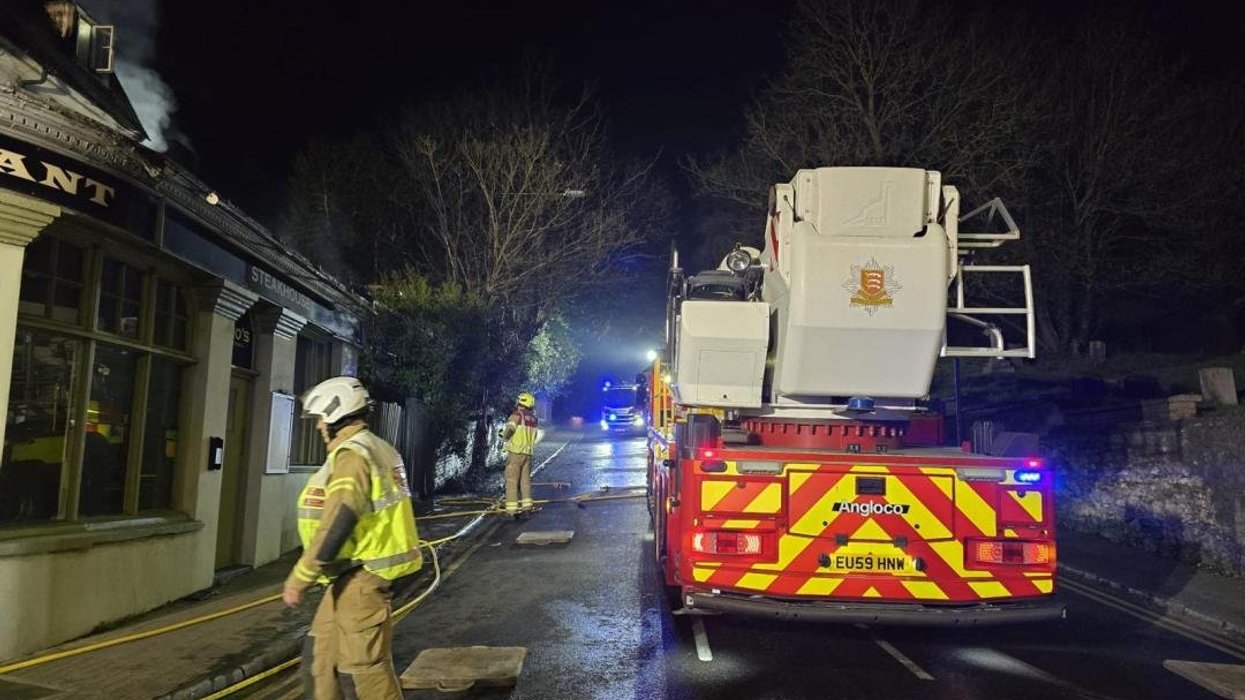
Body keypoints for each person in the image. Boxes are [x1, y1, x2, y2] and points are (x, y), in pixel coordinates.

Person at [283, 376, 422, 700]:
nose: (318, 426)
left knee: (364, 670)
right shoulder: (373, 447)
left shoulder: (353, 456)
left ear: (335, 414)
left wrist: (300, 578)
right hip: (347, 575)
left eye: (320, 419)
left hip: (362, 576)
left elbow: (338, 521)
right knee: (320, 658)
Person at [499, 391, 539, 516]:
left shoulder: (517, 415)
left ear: (520, 402)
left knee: (511, 481)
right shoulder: (533, 419)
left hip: (516, 453)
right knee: (525, 481)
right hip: (528, 455)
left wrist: (504, 437)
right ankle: (527, 508)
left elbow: (510, 429)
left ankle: (511, 512)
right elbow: (535, 435)